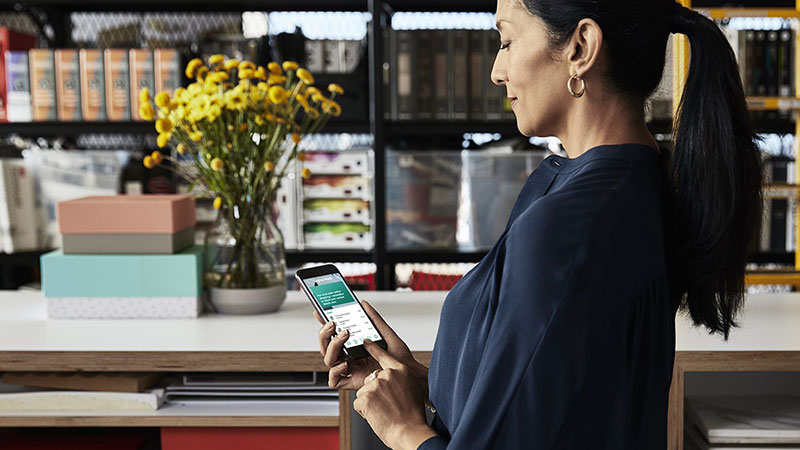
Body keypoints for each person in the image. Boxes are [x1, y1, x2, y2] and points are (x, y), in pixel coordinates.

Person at [315, 0, 763, 448]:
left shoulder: (570, 227)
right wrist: (414, 383)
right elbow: (554, 397)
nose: (496, 70)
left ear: (581, 48)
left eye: (507, 41)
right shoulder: (619, 185)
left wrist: (403, 429)